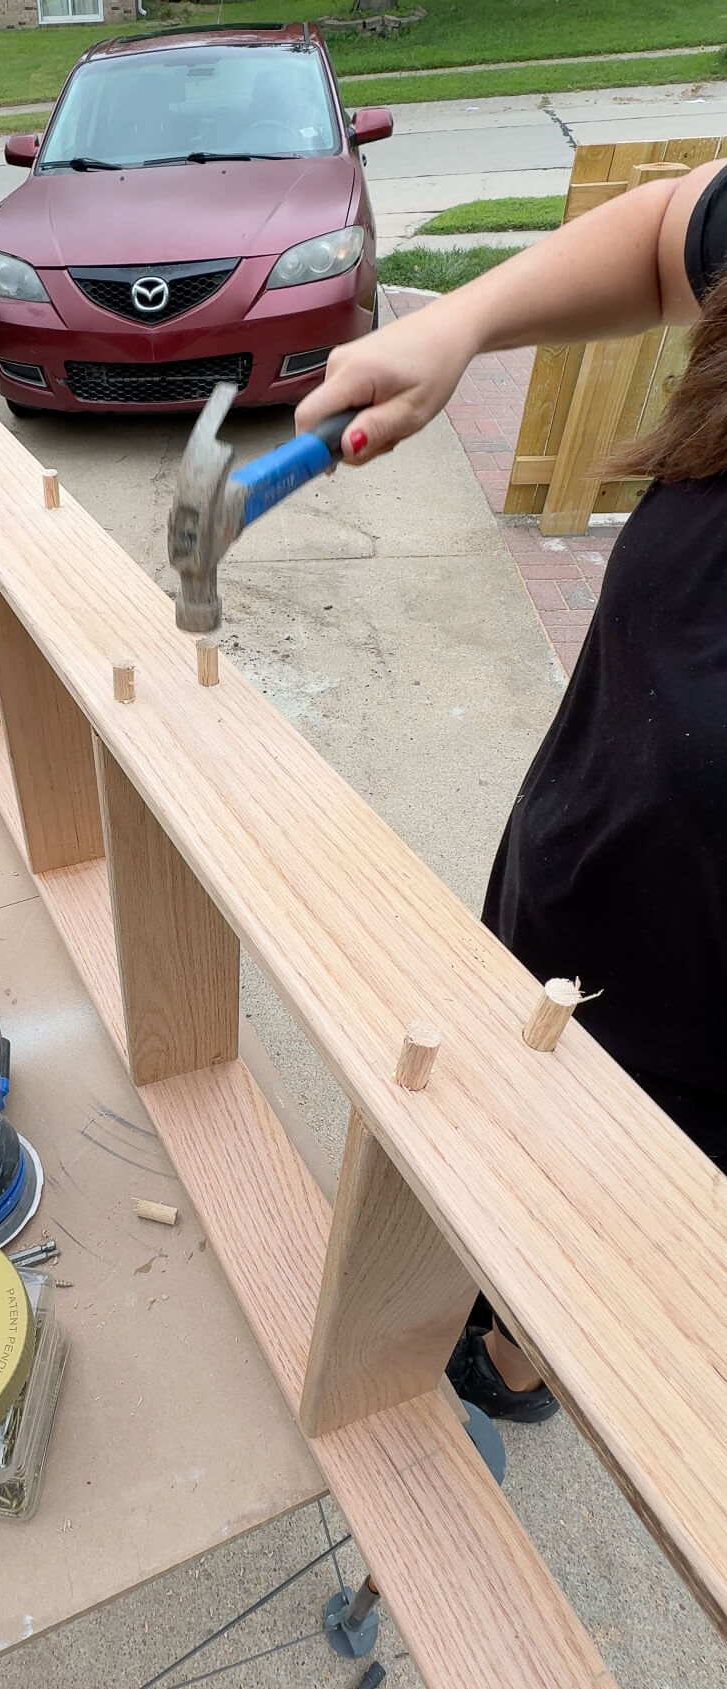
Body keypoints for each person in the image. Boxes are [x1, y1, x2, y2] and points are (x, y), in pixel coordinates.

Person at [296, 158, 727, 1424]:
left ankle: (528, 1359)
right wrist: (453, 326)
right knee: (497, 1131)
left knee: (587, 1262)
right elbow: (668, 234)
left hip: (689, 1098)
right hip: (567, 888)